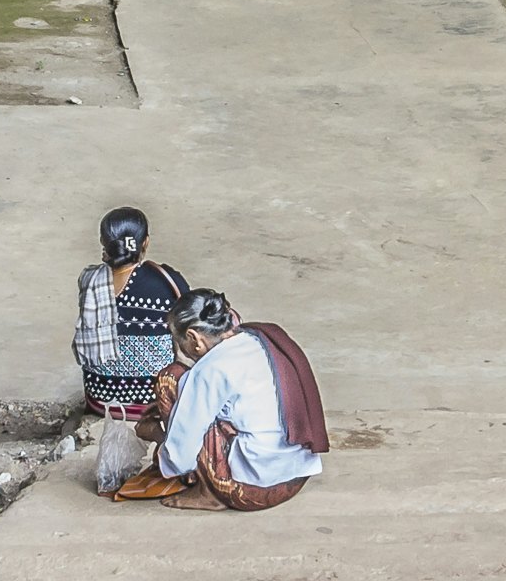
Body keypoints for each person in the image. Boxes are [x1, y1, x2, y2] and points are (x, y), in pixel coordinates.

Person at [110, 289, 326, 510]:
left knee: (170, 378)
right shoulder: (257, 339)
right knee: (205, 405)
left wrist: (156, 434)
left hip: (252, 491)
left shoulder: (210, 369)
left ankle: (208, 494)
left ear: (194, 338)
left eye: (178, 340)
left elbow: (180, 459)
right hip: (296, 477)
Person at [74, 208, 192, 493]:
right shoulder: (166, 280)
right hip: (147, 400)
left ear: (104, 244)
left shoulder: (89, 280)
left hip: (100, 397)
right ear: (145, 242)